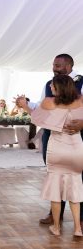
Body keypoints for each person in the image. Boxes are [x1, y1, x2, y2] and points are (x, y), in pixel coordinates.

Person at [17, 54, 83, 227]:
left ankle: (81, 218)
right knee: (55, 175)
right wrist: (26, 104)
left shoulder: (81, 81)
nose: (54, 68)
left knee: (78, 176)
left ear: (69, 65)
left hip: (77, 136)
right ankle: (56, 214)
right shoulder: (48, 85)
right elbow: (41, 106)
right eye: (53, 65)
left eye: (58, 65)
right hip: (52, 137)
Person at [29, 75, 83, 236]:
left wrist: (25, 106)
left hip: (57, 148)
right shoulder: (81, 100)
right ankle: (78, 228)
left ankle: (57, 227)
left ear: (58, 87)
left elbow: (36, 118)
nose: (51, 87)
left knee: (55, 187)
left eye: (52, 85)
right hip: (76, 149)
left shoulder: (49, 102)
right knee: (74, 184)